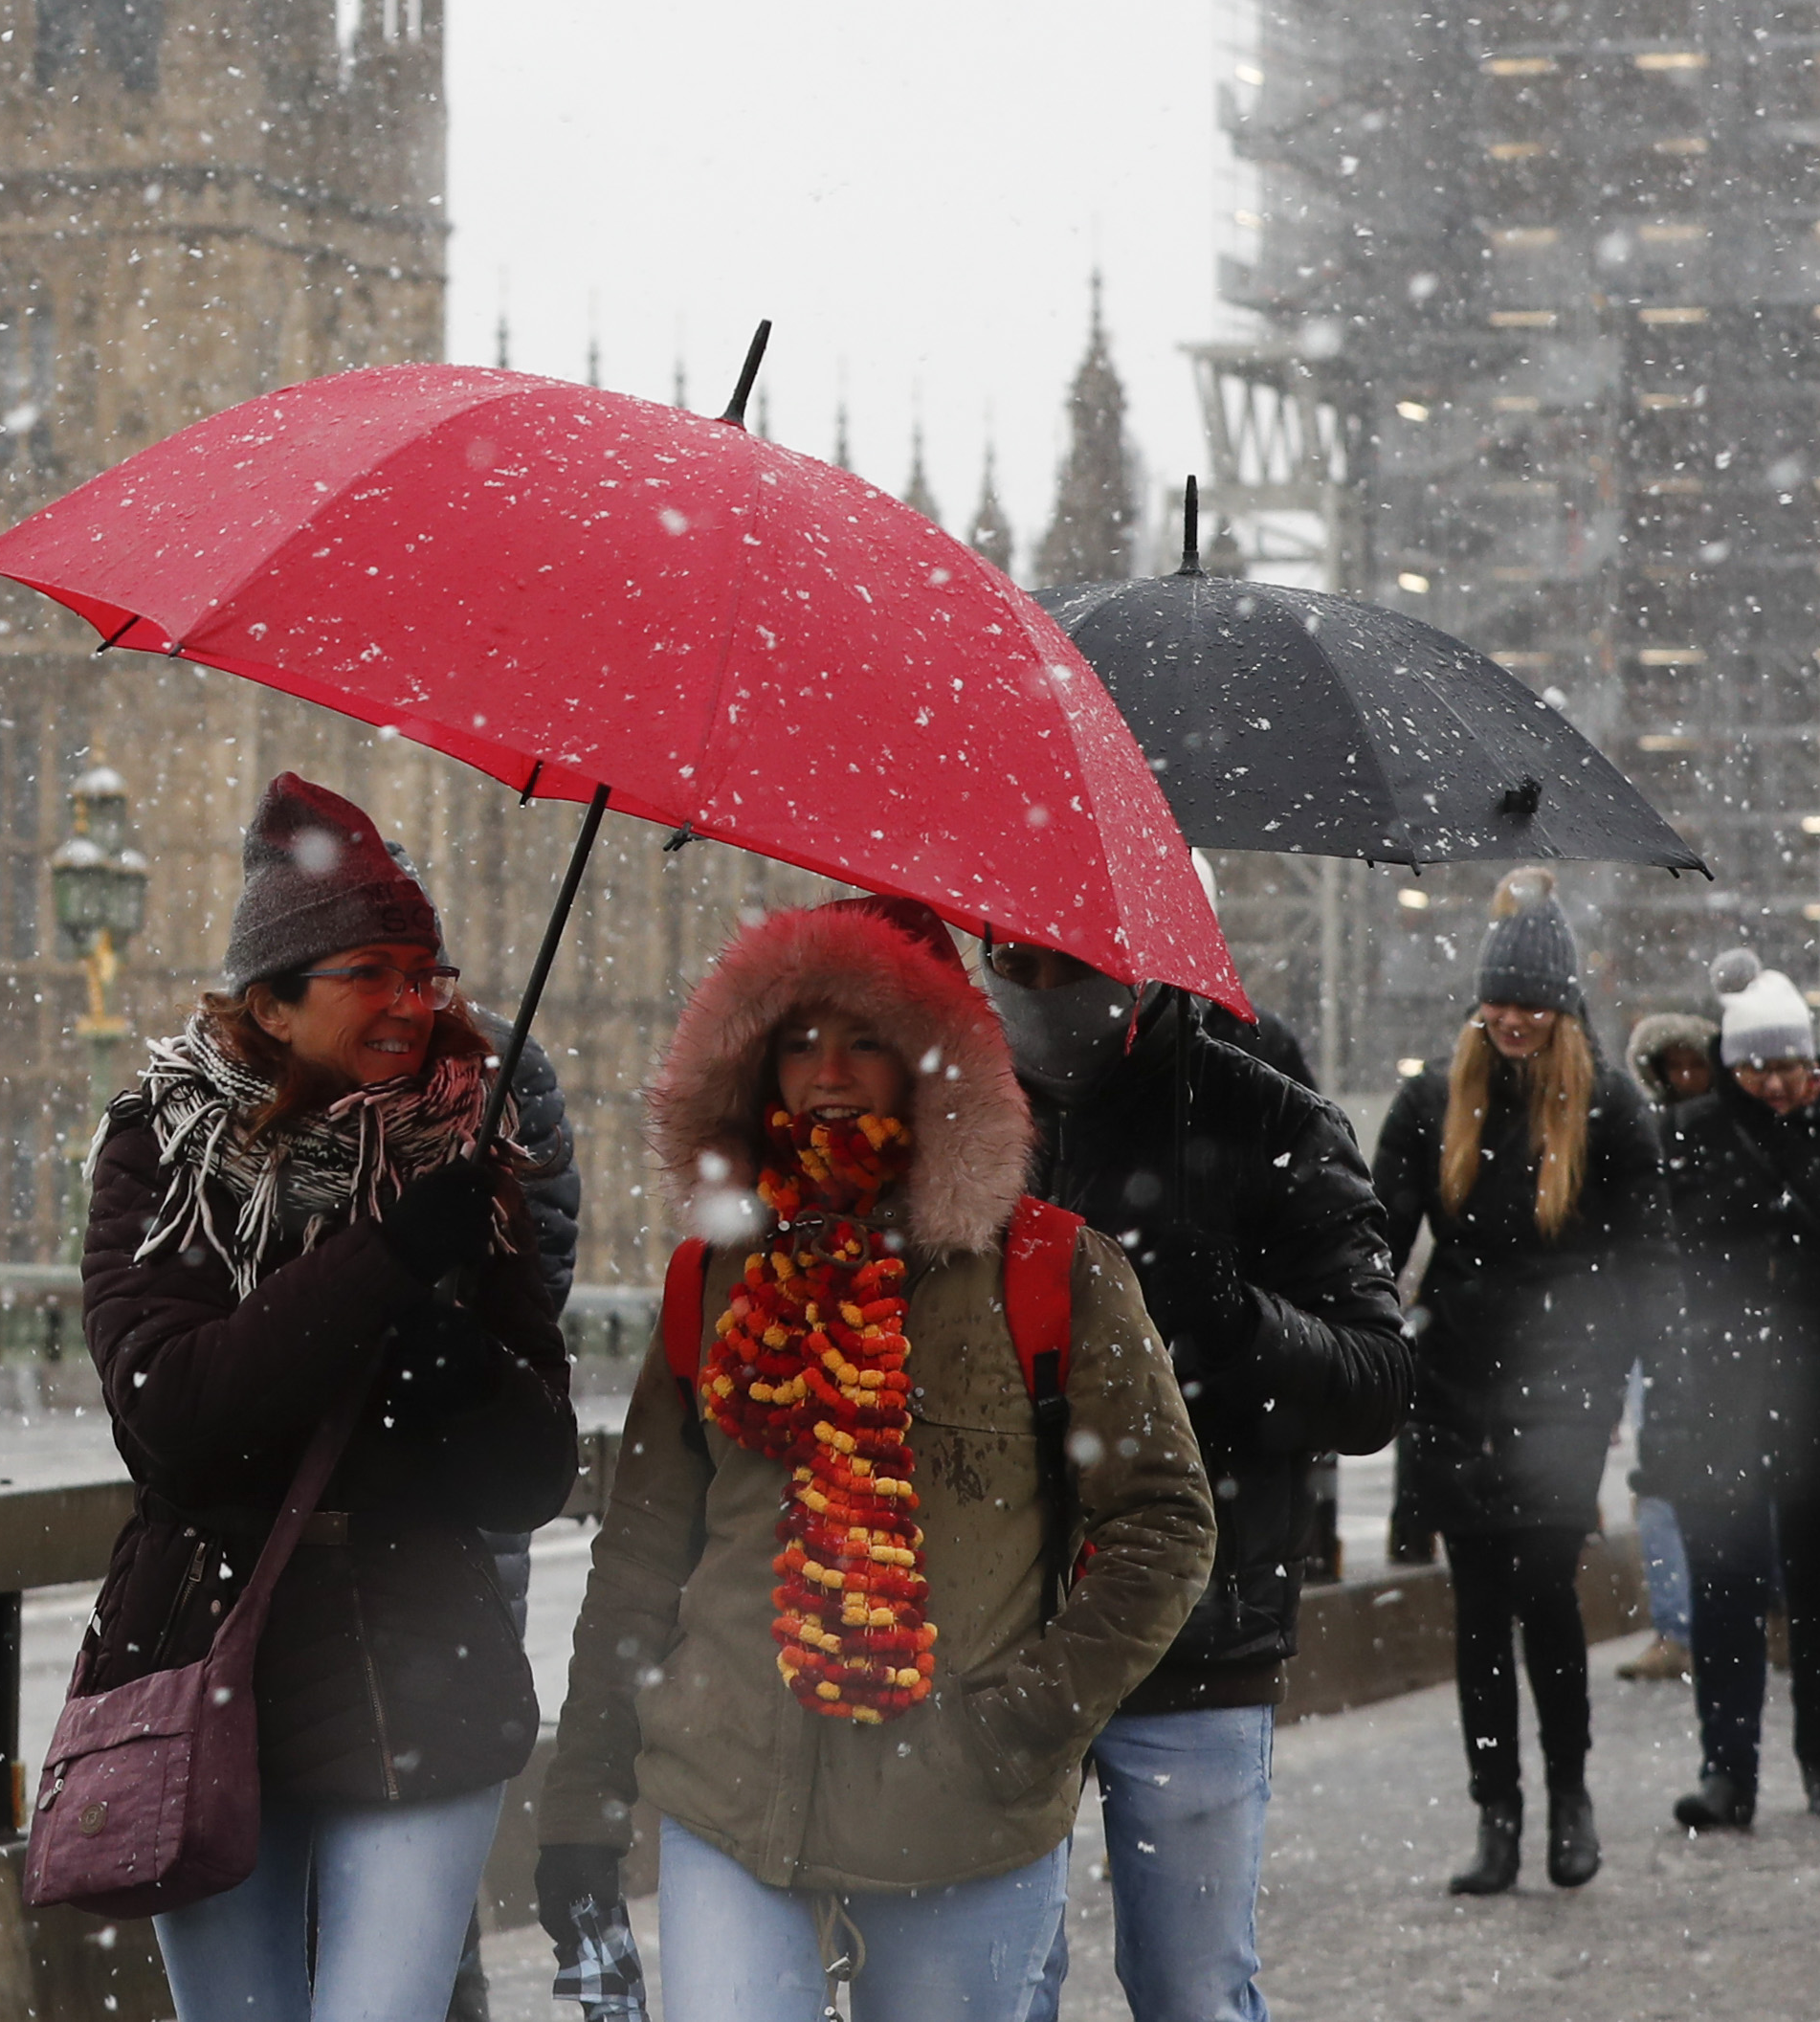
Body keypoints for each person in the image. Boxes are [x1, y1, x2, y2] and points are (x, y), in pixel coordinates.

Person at [533, 901, 1214, 2022]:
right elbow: (644, 1555)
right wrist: (583, 1801)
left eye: (863, 1039)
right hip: (726, 1796)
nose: (829, 1074)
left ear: (930, 1063)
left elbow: (1163, 1521)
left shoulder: (1050, 1270)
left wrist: (1024, 1721)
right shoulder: (713, 1280)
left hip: (960, 1812)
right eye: (798, 1042)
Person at [71, 773, 579, 2022]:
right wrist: (381, 1258)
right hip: (208, 1657)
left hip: (415, 1653)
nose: (416, 1000)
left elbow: (533, 1471)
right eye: (374, 971)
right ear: (271, 999)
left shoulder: (474, 1152)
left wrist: (458, 1362)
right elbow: (173, 1414)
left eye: (428, 972)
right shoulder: (160, 1146)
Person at [983, 933, 1409, 2022]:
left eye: (1062, 965)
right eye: (1009, 964)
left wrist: (1234, 1319)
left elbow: (1372, 1381)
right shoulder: (960, 1110)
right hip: (996, 1636)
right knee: (991, 1984)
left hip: (1197, 1632)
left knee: (1188, 1984)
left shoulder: (1271, 1120)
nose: (1038, 997)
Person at [1371, 874, 1663, 1895]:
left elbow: (1645, 1258)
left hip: (1560, 1390)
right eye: (1498, 1000)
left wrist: (1618, 1360)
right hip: (1455, 1383)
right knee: (1476, 1606)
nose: (1512, 1019)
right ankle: (1494, 1813)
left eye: (1532, 1002)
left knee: (1542, 1595)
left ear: (1563, 1005)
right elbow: (1382, 1234)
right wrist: (1370, 1336)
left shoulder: (1611, 1107)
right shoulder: (1426, 1099)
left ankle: (1568, 1797)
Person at [1638, 955, 1820, 1830]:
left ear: (1812, 1063)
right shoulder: (1687, 1135)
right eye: (1757, 1070)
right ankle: (1728, 1769)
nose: (1775, 1086)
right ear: (1730, 1067)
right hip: (1715, 1398)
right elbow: (1652, 1262)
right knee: (1725, 1591)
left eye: (1789, 1068)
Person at [1611, 1012, 1720, 1687]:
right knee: (1656, 1478)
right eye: (1671, 1067)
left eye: (1693, 1065)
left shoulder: (1726, 1140)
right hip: (1662, 1324)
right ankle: (1674, 1625)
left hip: (1715, 1327)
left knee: (1718, 1482)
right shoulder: (1646, 1137)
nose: (1683, 1079)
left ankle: (1705, 1621)